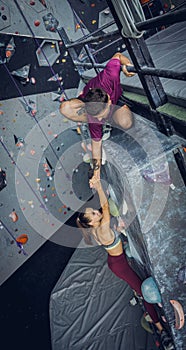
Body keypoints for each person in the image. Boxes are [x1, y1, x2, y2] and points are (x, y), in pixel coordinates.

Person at [76, 177, 174, 350]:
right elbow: (105, 207)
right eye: (93, 214)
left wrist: (118, 230)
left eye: (93, 211)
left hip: (116, 261)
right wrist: (99, 186)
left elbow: (110, 236)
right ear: (91, 222)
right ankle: (161, 330)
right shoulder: (102, 227)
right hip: (119, 265)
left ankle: (142, 300)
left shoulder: (95, 230)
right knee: (145, 294)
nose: (96, 212)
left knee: (137, 284)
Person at [60, 52, 135, 182]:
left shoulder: (110, 76)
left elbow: (117, 55)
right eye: (98, 118)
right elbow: (96, 146)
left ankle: (110, 119)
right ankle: (96, 114)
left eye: (101, 116)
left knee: (126, 122)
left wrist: (127, 64)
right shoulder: (93, 118)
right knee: (64, 108)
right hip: (87, 101)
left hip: (117, 102)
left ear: (109, 102)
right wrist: (96, 172)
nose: (99, 120)